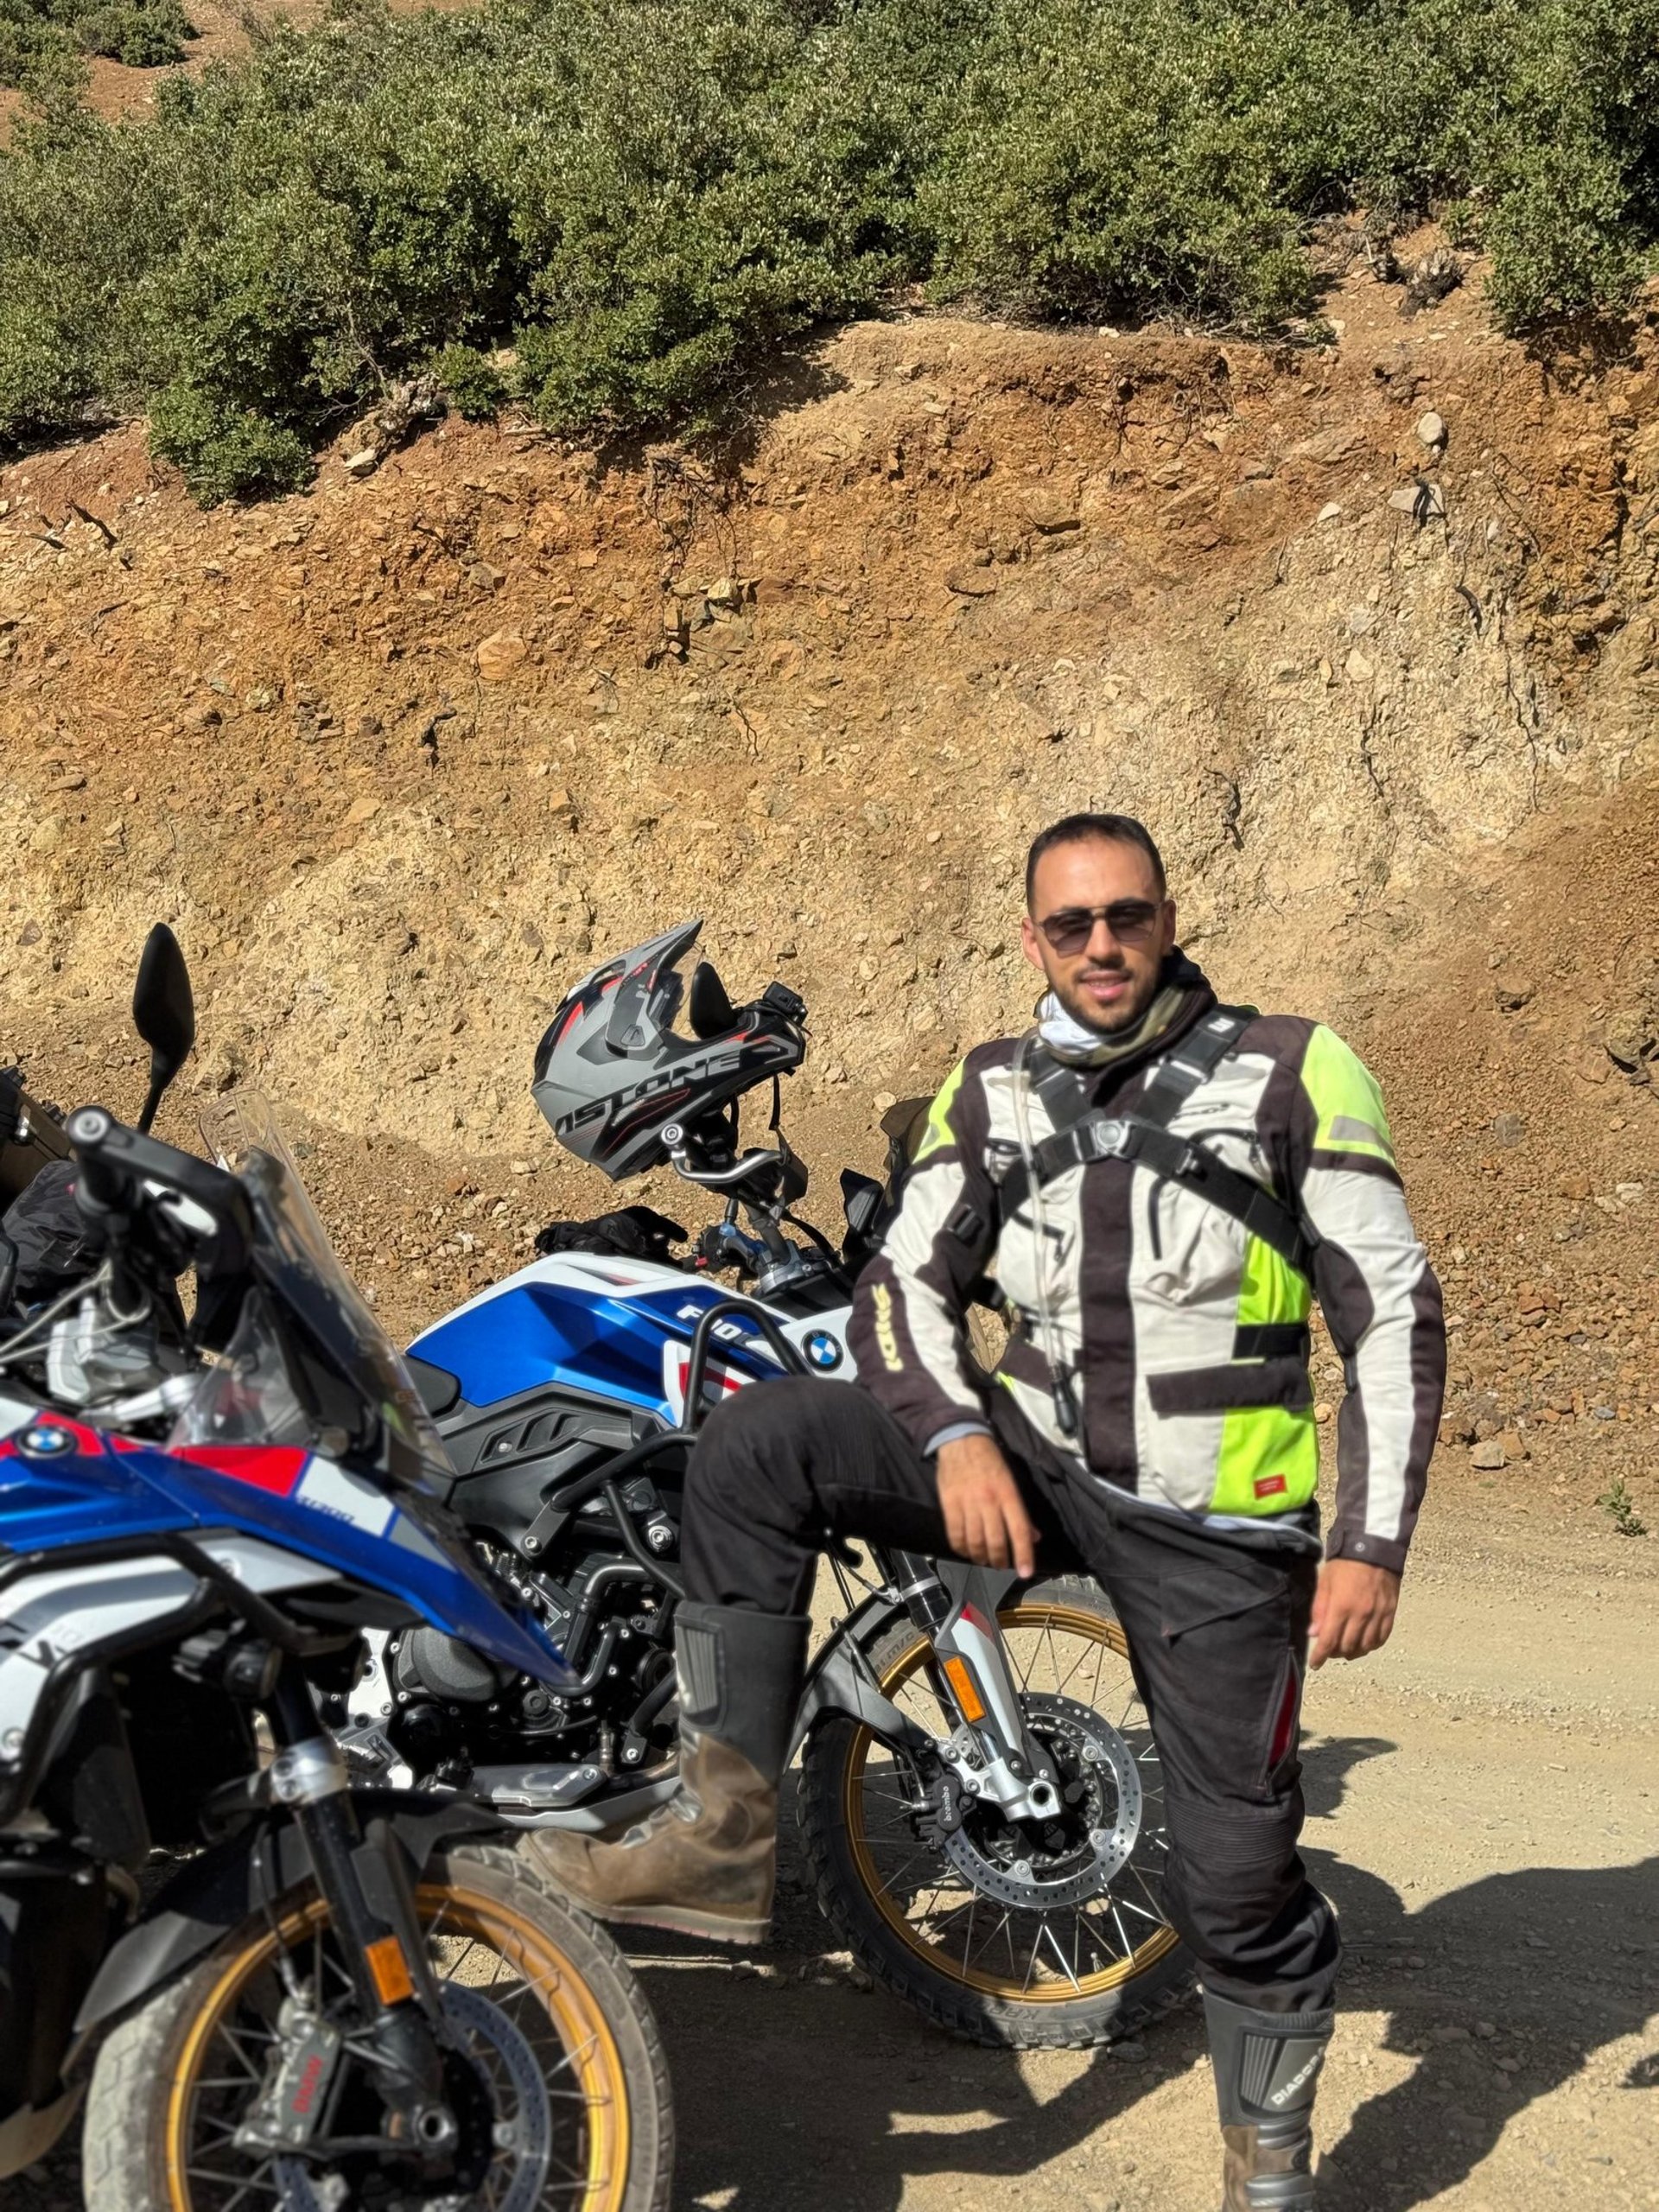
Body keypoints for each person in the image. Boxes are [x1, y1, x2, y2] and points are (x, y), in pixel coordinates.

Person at [533, 812, 1446, 2211]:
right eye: (1070, 924)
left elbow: (1388, 1316)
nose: (1100, 946)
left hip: (1216, 1526)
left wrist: (1370, 1545)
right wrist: (955, 1434)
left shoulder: (1290, 1070)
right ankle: (722, 1835)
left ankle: (1269, 2173)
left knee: (1234, 1885)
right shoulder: (994, 1088)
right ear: (1034, 937)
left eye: (1125, 917)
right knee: (763, 1438)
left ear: (1168, 919)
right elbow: (902, 1286)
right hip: (1033, 1454)